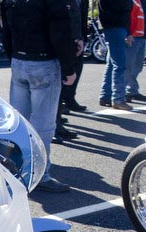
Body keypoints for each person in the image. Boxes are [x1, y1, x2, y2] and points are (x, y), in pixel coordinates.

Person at [1, 0, 77, 192]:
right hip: (44, 62)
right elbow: (60, 32)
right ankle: (39, 174)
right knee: (43, 125)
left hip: (19, 60)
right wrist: (69, 67)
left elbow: (6, 32)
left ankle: (16, 170)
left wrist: (13, 57)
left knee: (19, 123)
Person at [54, 0, 89, 143]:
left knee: (64, 84)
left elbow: (79, 16)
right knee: (57, 85)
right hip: (64, 42)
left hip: (74, 39)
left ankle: (57, 119)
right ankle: (54, 125)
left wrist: (81, 37)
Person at [98, 0, 134, 110]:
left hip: (113, 27)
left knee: (111, 64)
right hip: (116, 27)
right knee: (119, 65)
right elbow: (125, 7)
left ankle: (105, 95)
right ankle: (118, 99)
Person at [124, 0, 146, 102]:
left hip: (142, 36)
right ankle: (122, 93)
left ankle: (132, 91)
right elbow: (126, 16)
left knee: (137, 66)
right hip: (133, 36)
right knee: (128, 66)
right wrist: (128, 33)